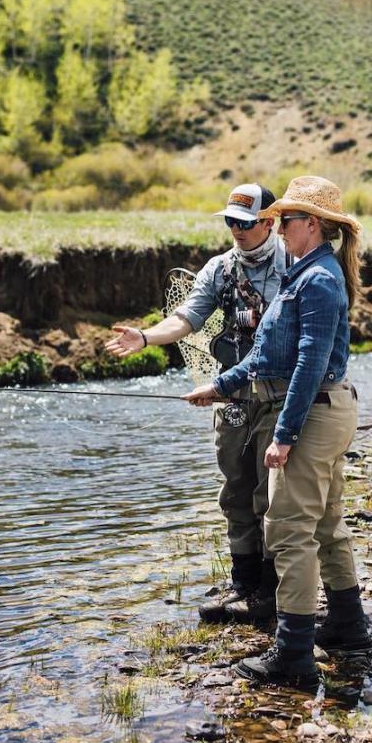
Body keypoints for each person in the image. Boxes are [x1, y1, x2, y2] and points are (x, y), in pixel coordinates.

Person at [184, 175, 371, 688]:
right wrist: (219, 385)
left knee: (288, 531)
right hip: (326, 410)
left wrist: (284, 433)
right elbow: (268, 355)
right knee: (328, 522)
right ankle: (348, 627)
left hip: (316, 413)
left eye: (285, 219)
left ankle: (293, 653)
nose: (278, 227)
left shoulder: (319, 280)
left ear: (311, 224)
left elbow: (310, 363)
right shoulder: (307, 273)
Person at [106, 183, 287, 625]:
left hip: (279, 399)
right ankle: (242, 582)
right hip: (231, 401)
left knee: (270, 498)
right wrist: (146, 337)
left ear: (269, 222)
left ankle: (271, 591)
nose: (236, 231)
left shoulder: (295, 263)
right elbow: (187, 318)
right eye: (230, 222)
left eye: (245, 223)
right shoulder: (219, 269)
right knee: (235, 494)